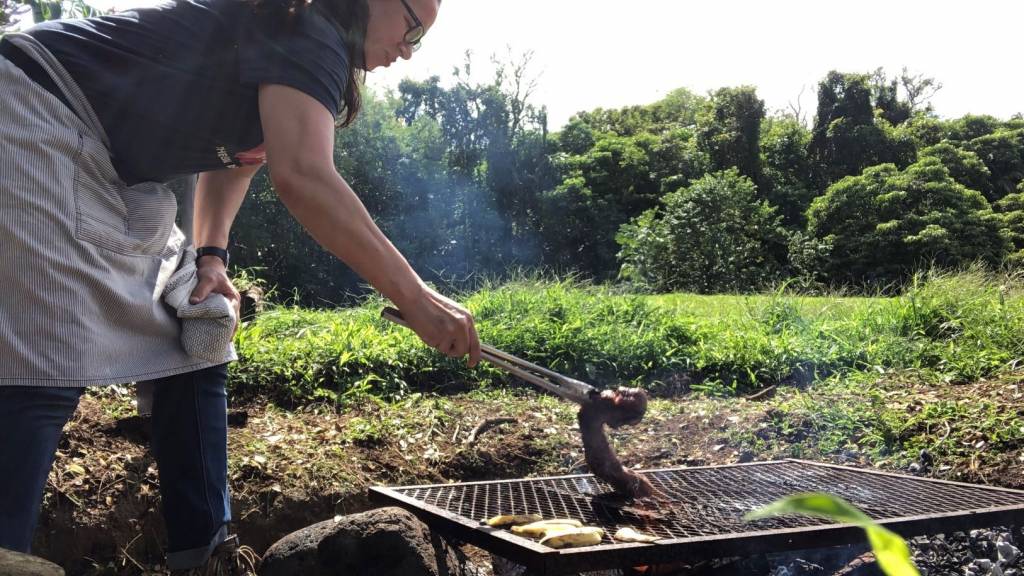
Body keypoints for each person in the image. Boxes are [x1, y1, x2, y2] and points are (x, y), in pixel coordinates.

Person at [0, 0, 480, 572]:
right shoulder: (311, 26)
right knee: (46, 352)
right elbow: (303, 175)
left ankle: (204, 558)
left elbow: (241, 157)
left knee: (198, 324)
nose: (407, 50)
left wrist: (211, 254)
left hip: (106, 162)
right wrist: (416, 301)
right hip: (34, 105)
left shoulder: (300, 45)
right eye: (413, 30)